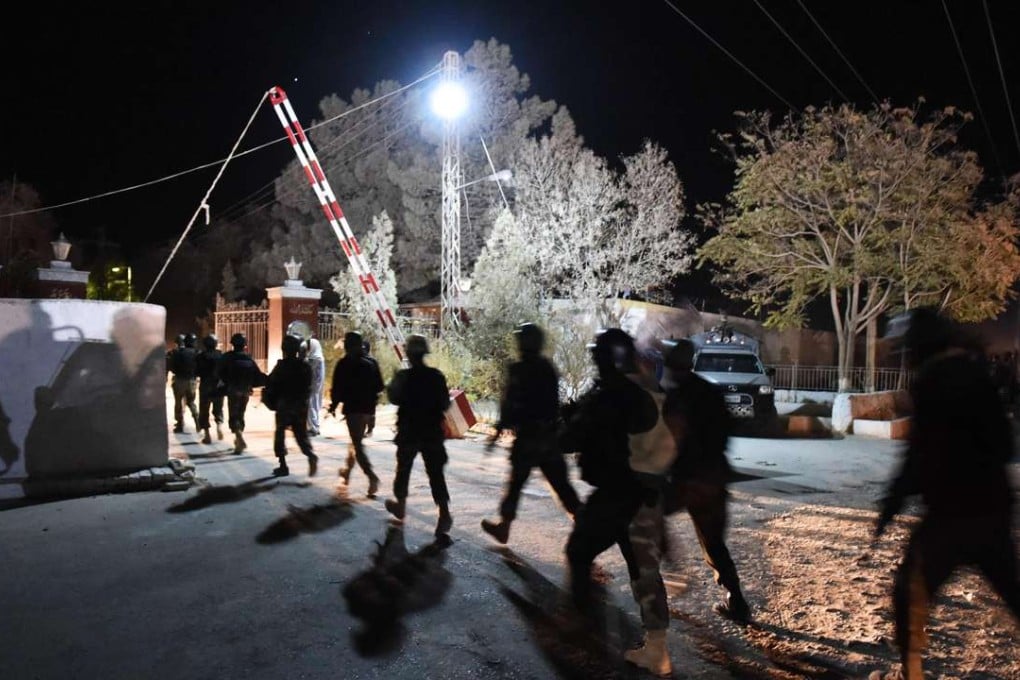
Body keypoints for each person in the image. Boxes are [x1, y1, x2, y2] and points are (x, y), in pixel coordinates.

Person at [870, 308, 1020, 680]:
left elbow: (917, 456)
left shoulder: (933, 379)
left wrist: (891, 506)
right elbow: (1004, 444)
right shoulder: (973, 371)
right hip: (991, 510)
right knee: (1013, 592)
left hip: (950, 516)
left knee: (908, 593)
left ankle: (910, 671)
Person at [560, 328, 671, 674]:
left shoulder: (611, 395)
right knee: (643, 569)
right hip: (642, 494)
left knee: (579, 551)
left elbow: (572, 437)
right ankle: (656, 648)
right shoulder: (638, 390)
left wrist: (565, 422)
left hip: (618, 494)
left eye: (599, 355)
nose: (595, 360)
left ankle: (587, 628)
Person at [660, 339, 751, 624]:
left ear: (671, 366)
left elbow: (670, 441)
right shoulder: (710, 392)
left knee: (646, 513)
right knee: (714, 542)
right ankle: (736, 600)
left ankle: (670, 574)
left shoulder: (674, 398)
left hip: (688, 480)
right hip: (714, 478)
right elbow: (726, 431)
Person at [481, 322, 581, 544]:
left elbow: (509, 405)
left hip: (528, 439)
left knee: (515, 485)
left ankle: (504, 527)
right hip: (549, 438)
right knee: (562, 486)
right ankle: (584, 525)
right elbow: (553, 405)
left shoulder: (518, 369)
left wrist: (496, 434)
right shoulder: (548, 368)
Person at [383, 334, 454, 537]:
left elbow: (394, 398)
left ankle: (401, 505)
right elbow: (445, 404)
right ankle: (444, 514)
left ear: (408, 354)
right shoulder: (436, 376)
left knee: (403, 469)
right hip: (431, 432)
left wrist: (393, 385)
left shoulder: (403, 377)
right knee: (435, 473)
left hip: (409, 431)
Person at [329, 331, 385, 497]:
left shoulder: (344, 363)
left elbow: (337, 389)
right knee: (355, 442)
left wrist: (333, 406)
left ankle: (372, 477)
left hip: (353, 410)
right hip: (369, 410)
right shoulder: (372, 362)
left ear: (347, 345)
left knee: (357, 445)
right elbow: (380, 387)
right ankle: (346, 473)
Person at [263, 333, 318, 477]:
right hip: (301, 406)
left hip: (284, 405)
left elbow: (271, 382)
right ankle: (310, 454)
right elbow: (309, 387)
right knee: (300, 434)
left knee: (280, 433)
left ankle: (283, 465)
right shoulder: (305, 366)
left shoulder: (282, 366)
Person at [218, 332, 266, 454]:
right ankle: (238, 439)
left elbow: (219, 372)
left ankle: (238, 436)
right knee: (241, 414)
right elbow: (257, 375)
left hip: (233, 391)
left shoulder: (227, 357)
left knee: (233, 415)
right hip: (245, 391)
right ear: (245, 345)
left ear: (232, 344)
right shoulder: (248, 358)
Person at [166, 332, 199, 433]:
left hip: (179, 380)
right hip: (192, 380)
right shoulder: (197, 353)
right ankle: (197, 421)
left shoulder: (177, 353)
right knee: (191, 402)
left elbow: (171, 366)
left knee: (178, 402)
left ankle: (180, 424)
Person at [195, 334, 225, 444]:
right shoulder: (221, 355)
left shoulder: (200, 356)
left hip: (205, 385)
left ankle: (207, 435)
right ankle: (219, 426)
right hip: (218, 386)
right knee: (218, 408)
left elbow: (196, 371)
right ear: (216, 343)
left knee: (204, 410)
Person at [306, 335, 325, 436]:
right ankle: (314, 426)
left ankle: (314, 428)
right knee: (314, 405)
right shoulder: (319, 357)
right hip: (316, 386)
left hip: (313, 386)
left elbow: (308, 369)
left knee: (311, 406)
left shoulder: (314, 359)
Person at [363, 340, 378, 437]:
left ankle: (370, 430)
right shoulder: (356, 361)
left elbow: (377, 377)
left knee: (370, 412)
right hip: (363, 391)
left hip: (370, 391)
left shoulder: (372, 361)